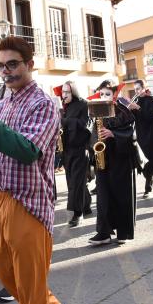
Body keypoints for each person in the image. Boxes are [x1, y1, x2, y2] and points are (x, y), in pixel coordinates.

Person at [0, 36, 72, 304]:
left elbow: (27, 150)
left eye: (13, 64)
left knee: (30, 283)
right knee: (10, 277)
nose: (6, 71)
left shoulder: (44, 104)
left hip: (27, 200)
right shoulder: (1, 105)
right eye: (1, 66)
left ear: (29, 65)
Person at [87, 80, 137, 246]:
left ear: (115, 94)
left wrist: (113, 134)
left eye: (107, 94)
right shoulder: (97, 112)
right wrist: (96, 146)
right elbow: (93, 134)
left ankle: (123, 232)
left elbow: (132, 135)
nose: (103, 97)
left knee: (121, 196)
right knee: (103, 197)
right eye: (101, 94)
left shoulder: (124, 112)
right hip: (103, 159)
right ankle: (104, 233)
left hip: (121, 159)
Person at [59, 80, 92, 227]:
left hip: (80, 149)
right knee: (72, 181)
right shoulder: (64, 107)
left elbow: (86, 125)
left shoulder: (84, 104)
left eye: (67, 92)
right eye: (63, 92)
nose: (63, 94)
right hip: (67, 150)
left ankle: (76, 214)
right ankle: (86, 205)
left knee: (75, 183)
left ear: (73, 92)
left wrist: (66, 122)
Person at [128, 79, 153, 198]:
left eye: (138, 89)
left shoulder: (151, 99)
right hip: (140, 134)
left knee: (151, 159)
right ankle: (149, 180)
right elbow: (133, 118)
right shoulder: (137, 100)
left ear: (144, 88)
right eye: (135, 89)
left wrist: (137, 108)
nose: (136, 91)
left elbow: (149, 116)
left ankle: (149, 186)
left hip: (151, 134)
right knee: (142, 160)